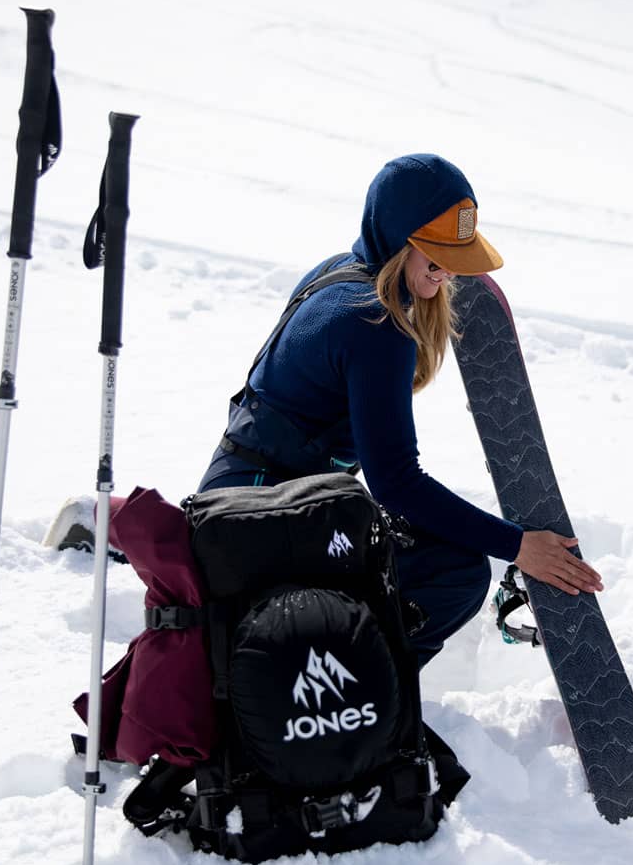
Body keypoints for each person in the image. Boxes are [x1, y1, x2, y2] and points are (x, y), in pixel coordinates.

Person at [198, 153, 602, 668]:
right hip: (258, 529)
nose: (446, 274)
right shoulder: (374, 323)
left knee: (435, 551)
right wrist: (518, 546)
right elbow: (397, 482)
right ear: (396, 242)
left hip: (240, 502)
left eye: (455, 260)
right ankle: (347, 694)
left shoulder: (337, 274)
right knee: (455, 573)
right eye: (434, 259)